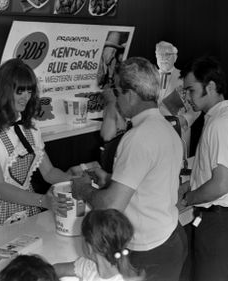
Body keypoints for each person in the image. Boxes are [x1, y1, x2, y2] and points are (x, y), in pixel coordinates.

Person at [72, 57, 187, 281]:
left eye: (117, 92)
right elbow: (148, 182)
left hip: (150, 250)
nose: (116, 99)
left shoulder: (138, 137)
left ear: (131, 95)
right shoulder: (165, 127)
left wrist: (84, 190)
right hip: (170, 235)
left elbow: (112, 205)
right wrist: (111, 180)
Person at [0, 58, 74, 239]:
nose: (26, 96)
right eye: (20, 90)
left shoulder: (31, 128)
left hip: (27, 205)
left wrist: (76, 182)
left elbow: (49, 172)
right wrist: (43, 200)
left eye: (29, 90)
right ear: (5, 91)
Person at [178, 56, 228, 281]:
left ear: (210, 86)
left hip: (218, 220)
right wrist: (190, 184)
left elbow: (220, 184)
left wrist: (189, 197)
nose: (187, 97)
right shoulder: (222, 119)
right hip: (218, 218)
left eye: (191, 90)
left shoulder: (220, 124)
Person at [54, 209, 143, 281]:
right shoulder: (88, 265)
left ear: (89, 247)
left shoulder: (88, 267)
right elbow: (55, 269)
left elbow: (54, 270)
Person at [155, 41, 200, 153]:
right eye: (160, 54)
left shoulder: (185, 78)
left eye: (167, 54)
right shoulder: (148, 77)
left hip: (178, 132)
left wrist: (185, 119)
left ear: (175, 57)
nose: (163, 58)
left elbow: (198, 104)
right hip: (153, 131)